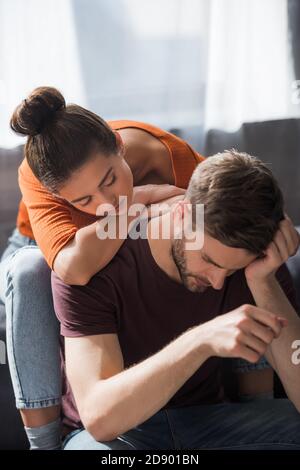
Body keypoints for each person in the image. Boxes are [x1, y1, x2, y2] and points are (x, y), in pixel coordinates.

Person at [52, 150, 300, 450]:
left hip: (211, 421)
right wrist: (200, 340)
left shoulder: (257, 263)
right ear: (183, 212)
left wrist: (263, 281)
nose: (218, 281)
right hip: (122, 435)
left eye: (231, 269)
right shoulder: (97, 264)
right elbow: (100, 419)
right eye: (208, 259)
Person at [0, 86, 203, 449]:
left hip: (120, 247)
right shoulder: (38, 172)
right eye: (82, 200)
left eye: (110, 179)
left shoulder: (170, 158)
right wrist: (138, 201)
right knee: (31, 270)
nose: (105, 202)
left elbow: (241, 209)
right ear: (60, 196)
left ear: (118, 145)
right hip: (36, 249)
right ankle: (44, 444)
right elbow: (72, 268)